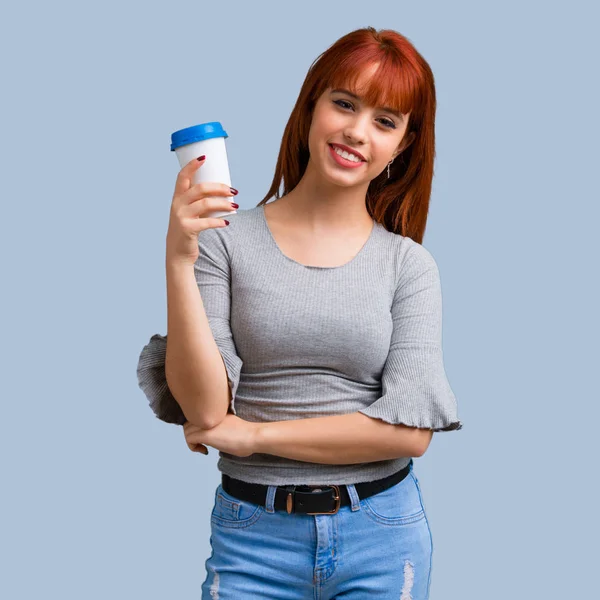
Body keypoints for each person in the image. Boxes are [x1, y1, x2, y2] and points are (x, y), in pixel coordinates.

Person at [137, 26, 462, 600]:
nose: (358, 132)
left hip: (381, 535)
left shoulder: (409, 267)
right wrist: (178, 259)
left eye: (385, 121)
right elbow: (207, 408)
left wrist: (251, 435)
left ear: (403, 146)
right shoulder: (224, 241)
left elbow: (409, 433)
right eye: (344, 103)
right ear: (311, 106)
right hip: (252, 535)